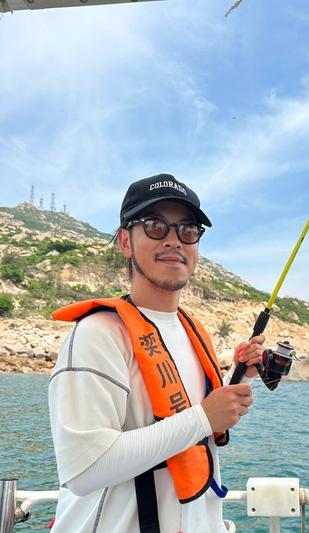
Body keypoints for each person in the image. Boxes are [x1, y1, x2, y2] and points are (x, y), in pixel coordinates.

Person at [48, 173, 265, 533]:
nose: (174, 240)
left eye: (188, 230)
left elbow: (184, 414)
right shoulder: (97, 335)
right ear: (126, 242)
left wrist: (237, 377)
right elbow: (84, 469)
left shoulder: (191, 330)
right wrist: (204, 418)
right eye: (155, 226)